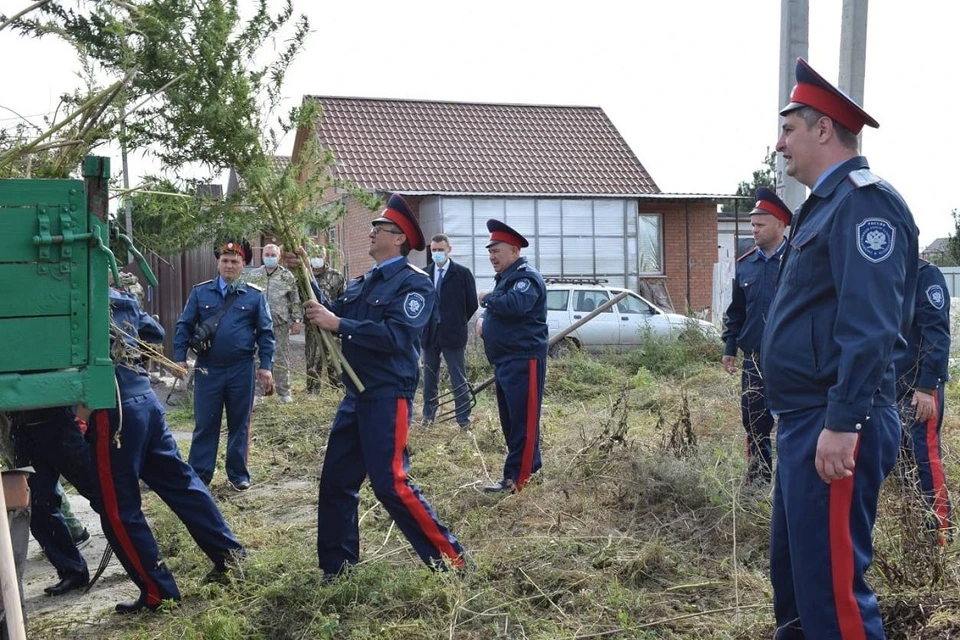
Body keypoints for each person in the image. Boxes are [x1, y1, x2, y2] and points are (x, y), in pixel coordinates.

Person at [760, 58, 919, 639]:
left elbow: (871, 325)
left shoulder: (863, 204)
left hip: (836, 421)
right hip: (807, 419)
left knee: (834, 598)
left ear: (823, 129)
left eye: (789, 130)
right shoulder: (821, 208)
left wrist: (844, 420)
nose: (779, 145)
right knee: (799, 586)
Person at [303, 194, 464, 577]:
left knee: (391, 483)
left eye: (379, 229)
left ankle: (451, 561)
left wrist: (338, 324)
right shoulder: (365, 281)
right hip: (356, 395)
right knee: (337, 483)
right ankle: (337, 569)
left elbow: (396, 335)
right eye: (374, 227)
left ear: (399, 239)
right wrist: (303, 278)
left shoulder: (414, 285)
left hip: (387, 395)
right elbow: (330, 311)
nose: (372, 233)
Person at [87, 285, 247, 613]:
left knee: (118, 508)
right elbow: (156, 332)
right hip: (145, 401)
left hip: (112, 409)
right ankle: (232, 558)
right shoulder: (120, 299)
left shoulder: (70, 306)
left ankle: (158, 591)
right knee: (183, 485)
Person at [173, 242, 275, 491]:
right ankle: (200, 475)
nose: (229, 265)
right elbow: (184, 325)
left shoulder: (253, 295)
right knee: (206, 423)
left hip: (242, 369)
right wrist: (178, 357)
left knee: (240, 424)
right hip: (208, 369)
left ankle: (238, 474)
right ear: (218, 263)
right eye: (225, 260)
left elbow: (266, 333)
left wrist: (266, 366)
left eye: (235, 261)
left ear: (243, 265)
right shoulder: (201, 293)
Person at [721, 188, 792, 485]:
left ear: (779, 224)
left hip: (791, 359)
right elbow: (736, 311)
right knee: (754, 421)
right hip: (754, 359)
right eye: (752, 224)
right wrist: (730, 347)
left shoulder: (796, 262)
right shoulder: (745, 263)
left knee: (792, 421)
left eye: (760, 224)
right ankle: (760, 480)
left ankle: (790, 482)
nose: (754, 230)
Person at [477, 220, 547, 494]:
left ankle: (518, 481)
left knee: (523, 422)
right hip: (506, 361)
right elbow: (501, 309)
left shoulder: (525, 278)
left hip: (523, 360)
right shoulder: (507, 278)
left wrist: (486, 298)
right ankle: (527, 470)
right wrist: (486, 319)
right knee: (512, 422)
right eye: (490, 252)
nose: (492, 257)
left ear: (515, 250)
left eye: (497, 250)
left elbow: (515, 305)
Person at [7, 407, 96, 596]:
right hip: (21, 427)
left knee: (97, 488)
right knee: (38, 504)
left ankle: (139, 556)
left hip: (57, 418)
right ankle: (72, 570)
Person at [895, 258, 952, 544]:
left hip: (919, 390)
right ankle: (913, 530)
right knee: (901, 463)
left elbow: (937, 336)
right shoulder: (886, 271)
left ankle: (939, 534)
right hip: (890, 389)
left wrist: (927, 387)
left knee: (924, 460)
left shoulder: (926, 275)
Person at [420, 234, 479, 429]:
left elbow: (471, 303)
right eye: (434, 250)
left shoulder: (462, 274)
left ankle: (463, 419)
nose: (437, 253)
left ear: (449, 250)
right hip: (430, 334)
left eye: (440, 250)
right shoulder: (424, 274)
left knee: (458, 376)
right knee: (429, 377)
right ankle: (428, 417)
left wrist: (457, 321)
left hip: (453, 334)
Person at [246, 243, 302, 403]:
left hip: (280, 324)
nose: (270, 257)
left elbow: (294, 301)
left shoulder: (287, 276)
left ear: (279, 257)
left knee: (281, 359)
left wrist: (296, 320)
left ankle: (284, 392)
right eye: (267, 255)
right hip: (257, 325)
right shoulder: (253, 276)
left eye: (273, 255)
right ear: (263, 256)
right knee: (257, 357)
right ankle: (258, 392)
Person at [305, 251, 345, 392]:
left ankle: (337, 388)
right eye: (313, 255)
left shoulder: (336, 276)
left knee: (334, 358)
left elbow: (343, 299)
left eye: (319, 255)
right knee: (312, 358)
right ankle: (312, 390)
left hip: (331, 324)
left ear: (325, 257)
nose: (316, 258)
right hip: (312, 325)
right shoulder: (304, 276)